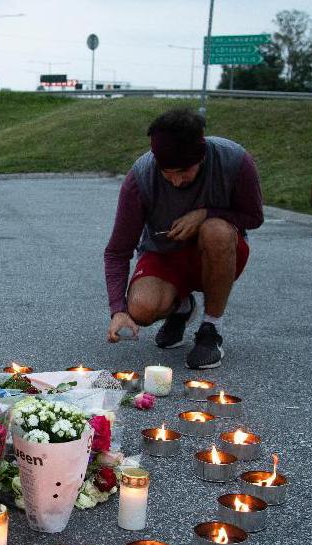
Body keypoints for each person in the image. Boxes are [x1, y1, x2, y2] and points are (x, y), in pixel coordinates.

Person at [104, 108, 263, 369]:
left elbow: (254, 217)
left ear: (201, 157)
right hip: (165, 254)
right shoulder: (141, 177)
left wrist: (205, 214)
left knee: (216, 230)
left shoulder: (234, 160)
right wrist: (118, 309)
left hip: (218, 251)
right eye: (168, 173)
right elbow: (117, 251)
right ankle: (181, 307)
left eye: (184, 172)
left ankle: (211, 329)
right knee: (141, 309)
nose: (176, 181)